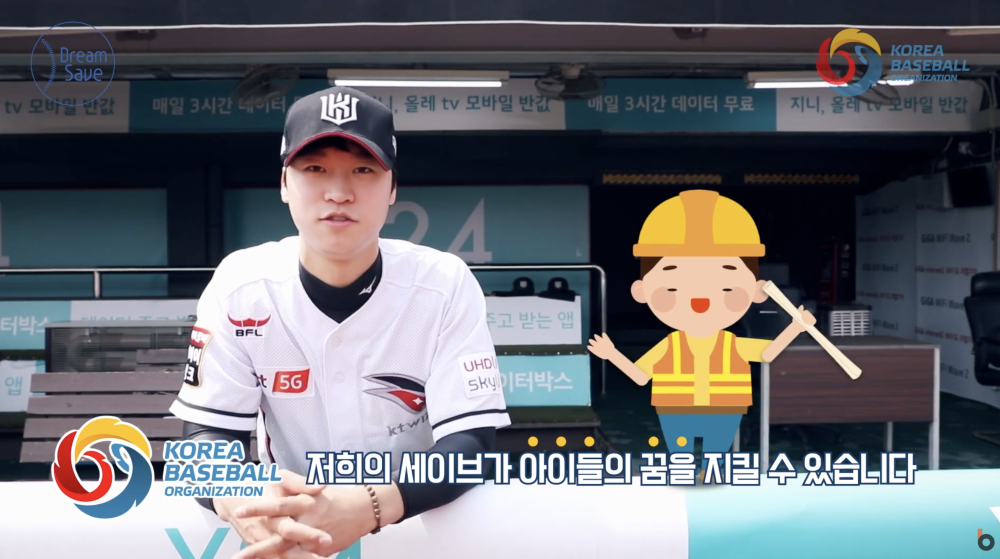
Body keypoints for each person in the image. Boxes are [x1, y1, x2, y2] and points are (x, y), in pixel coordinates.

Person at [169, 86, 511, 559]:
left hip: (417, 526)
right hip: (291, 532)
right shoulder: (241, 286)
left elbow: (471, 445)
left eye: (363, 170)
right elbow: (204, 440)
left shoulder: (443, 284)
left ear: (392, 188)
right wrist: (243, 497)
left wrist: (371, 506)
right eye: (315, 169)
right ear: (284, 184)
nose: (339, 193)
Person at [588, 189, 815, 479]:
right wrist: (612, 354)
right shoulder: (672, 344)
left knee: (713, 462)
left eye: (725, 287)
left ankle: (707, 488)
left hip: (723, 409)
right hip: (677, 409)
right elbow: (641, 376)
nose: (700, 298)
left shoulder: (731, 343)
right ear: (642, 291)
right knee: (682, 460)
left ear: (756, 291)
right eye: (674, 287)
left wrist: (796, 327)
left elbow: (767, 353)